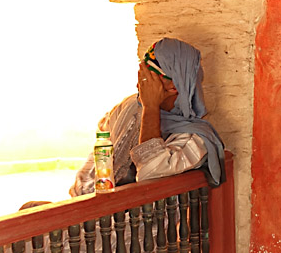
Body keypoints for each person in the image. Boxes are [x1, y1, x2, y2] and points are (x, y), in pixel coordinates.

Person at [70, 37, 225, 196]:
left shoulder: (194, 138)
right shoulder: (130, 106)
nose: (140, 84)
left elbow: (150, 172)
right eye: (140, 73)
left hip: (139, 219)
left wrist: (151, 108)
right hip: (98, 213)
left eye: (149, 77)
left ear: (174, 85)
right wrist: (82, 196)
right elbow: (100, 147)